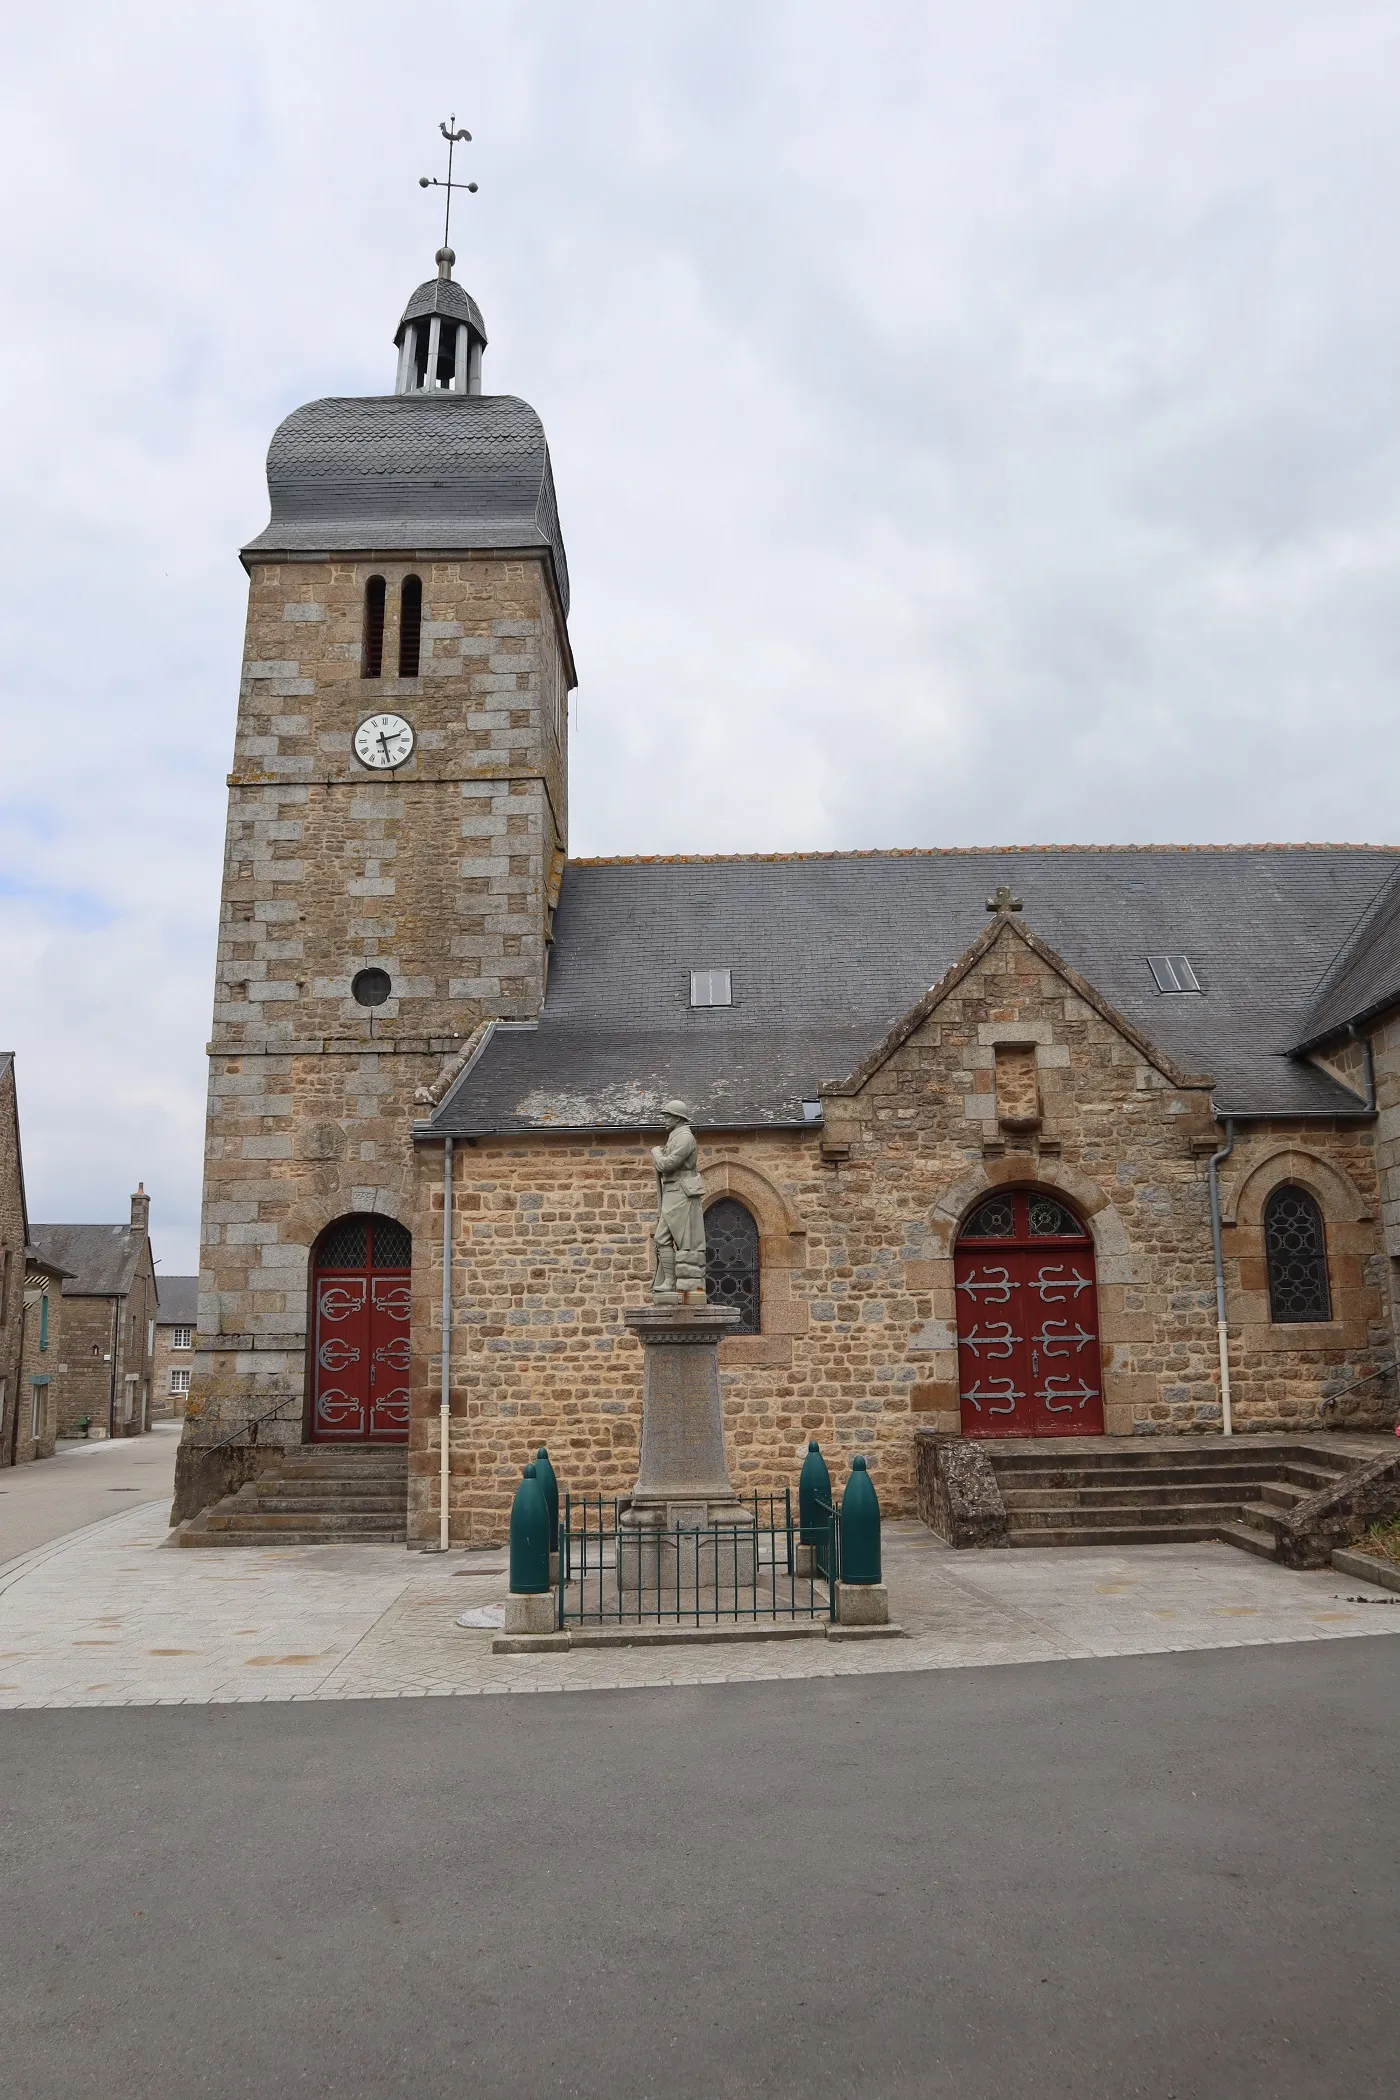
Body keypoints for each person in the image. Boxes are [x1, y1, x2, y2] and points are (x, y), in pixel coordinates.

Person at [650, 1100, 706, 1301]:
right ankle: (670, 1282)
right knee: (661, 1239)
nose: (664, 1119)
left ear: (678, 1118)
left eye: (667, 1116)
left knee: (686, 1243)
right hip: (672, 1193)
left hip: (681, 1194)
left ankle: (688, 1284)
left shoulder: (685, 1138)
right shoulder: (674, 1137)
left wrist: (656, 1153)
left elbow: (668, 1164)